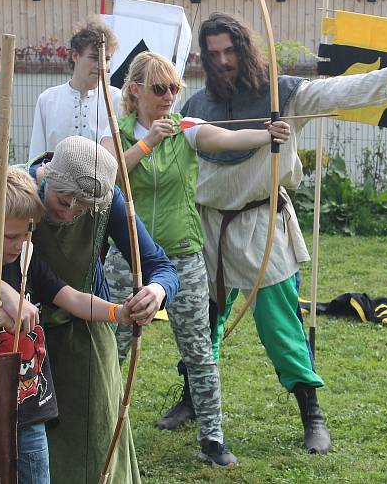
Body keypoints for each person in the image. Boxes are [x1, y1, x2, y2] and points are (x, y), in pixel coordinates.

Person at [169, 12, 387, 454]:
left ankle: (312, 414)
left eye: (230, 51)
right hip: (208, 226)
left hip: (261, 226)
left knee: (281, 323)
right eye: (213, 54)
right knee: (202, 322)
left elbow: (334, 91)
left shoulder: (282, 95)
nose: (223, 61)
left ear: (245, 48)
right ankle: (192, 397)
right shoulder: (195, 106)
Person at [0, 136, 179, 483]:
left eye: (83, 207)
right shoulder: (12, 192)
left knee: (92, 442)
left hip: (82, 334)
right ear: (46, 176)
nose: (70, 211)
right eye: (62, 200)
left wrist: (156, 291)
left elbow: (159, 266)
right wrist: (0, 293)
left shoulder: (107, 198)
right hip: (5, 340)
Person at [106, 51, 291, 467]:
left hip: (182, 258)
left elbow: (225, 138)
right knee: (113, 349)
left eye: (175, 88)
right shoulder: (114, 132)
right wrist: (148, 140)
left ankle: (212, 438)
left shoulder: (186, 130)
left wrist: (266, 134)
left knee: (199, 350)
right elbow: (110, 174)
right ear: (134, 92)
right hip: (126, 257)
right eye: (159, 88)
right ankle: (104, 428)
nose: (170, 96)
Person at [28, 15, 121, 159]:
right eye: (94, 58)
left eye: (107, 59)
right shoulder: (48, 100)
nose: (102, 65)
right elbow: (35, 159)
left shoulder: (116, 99)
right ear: (75, 56)